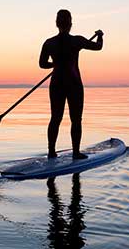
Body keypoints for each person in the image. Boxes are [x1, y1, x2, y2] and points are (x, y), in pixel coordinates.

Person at [39, 9, 103, 159]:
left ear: (56, 24)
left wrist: (55, 65)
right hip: (73, 83)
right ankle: (75, 152)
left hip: (56, 83)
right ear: (71, 24)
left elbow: (42, 64)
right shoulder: (77, 41)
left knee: (55, 118)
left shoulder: (49, 43)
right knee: (76, 119)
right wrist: (100, 35)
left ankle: (51, 152)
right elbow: (98, 46)